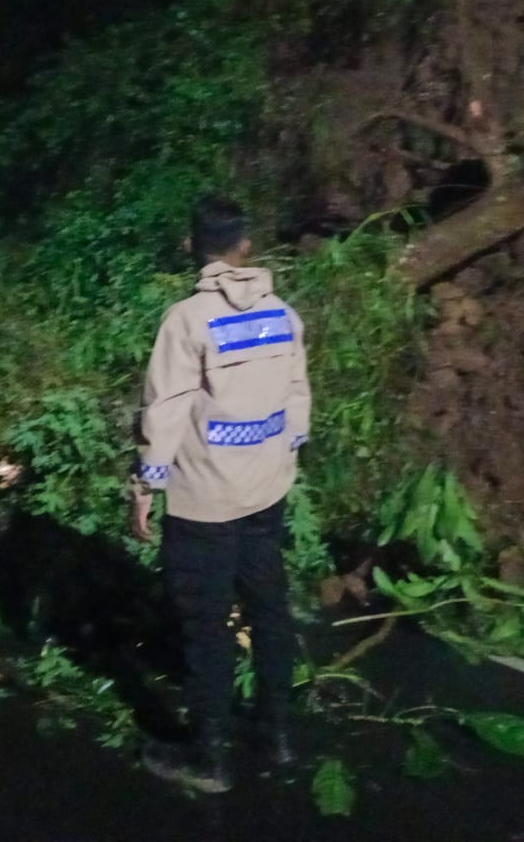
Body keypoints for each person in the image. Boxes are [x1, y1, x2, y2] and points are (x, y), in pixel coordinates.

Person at [128, 195, 310, 793]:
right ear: (246, 247)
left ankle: (209, 758)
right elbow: (297, 398)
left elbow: (168, 409)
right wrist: (284, 457)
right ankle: (278, 737)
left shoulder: (187, 320)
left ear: (191, 247)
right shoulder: (283, 314)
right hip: (265, 493)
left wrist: (146, 485)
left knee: (206, 625)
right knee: (268, 609)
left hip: (205, 499)